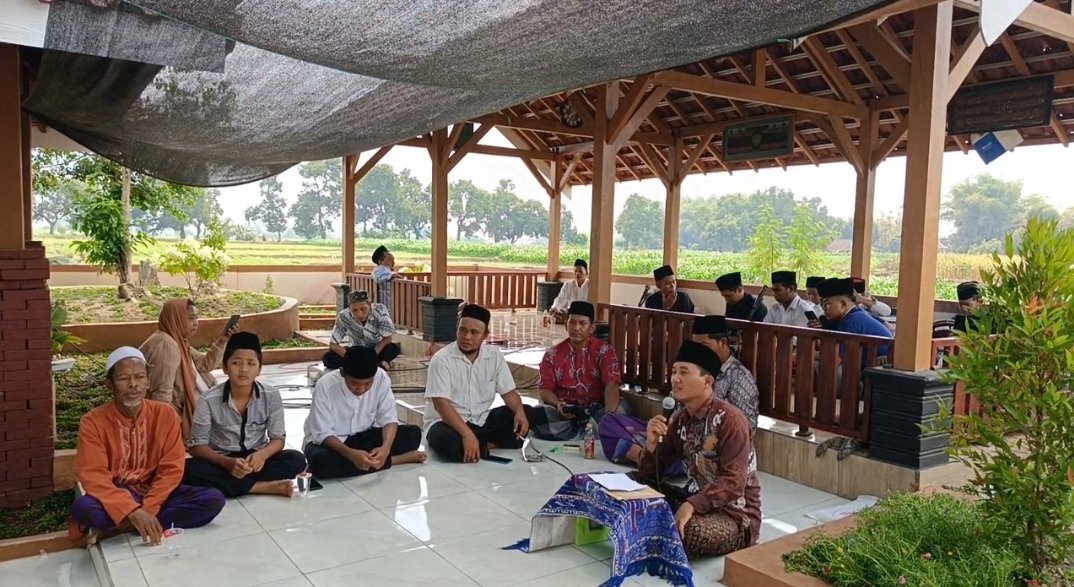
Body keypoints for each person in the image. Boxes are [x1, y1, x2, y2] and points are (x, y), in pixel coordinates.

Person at [69, 347, 225, 545]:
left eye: (140, 377)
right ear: (110, 385)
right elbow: (93, 475)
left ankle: (118, 528)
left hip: (154, 492)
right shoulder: (92, 422)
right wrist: (131, 509)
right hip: (116, 493)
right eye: (124, 378)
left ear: (148, 382)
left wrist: (148, 508)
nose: (133, 385)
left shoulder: (165, 414)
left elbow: (172, 469)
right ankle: (135, 521)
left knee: (213, 499)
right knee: (84, 508)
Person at [634, 340, 762, 557]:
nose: (675, 378)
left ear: (707, 381)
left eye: (684, 372)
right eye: (674, 371)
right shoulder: (679, 420)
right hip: (695, 500)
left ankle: (659, 528)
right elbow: (652, 474)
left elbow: (733, 483)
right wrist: (651, 444)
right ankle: (662, 527)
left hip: (734, 516)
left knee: (690, 532)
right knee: (634, 486)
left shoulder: (731, 420)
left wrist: (691, 505)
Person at [599, 316, 758, 466]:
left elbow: (746, 429)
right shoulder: (689, 370)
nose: (699, 351)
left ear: (723, 343)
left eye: (704, 346)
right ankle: (648, 457)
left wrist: (704, 432)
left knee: (689, 456)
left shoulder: (740, 378)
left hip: (701, 445)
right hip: (673, 434)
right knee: (609, 422)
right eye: (675, 372)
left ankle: (648, 458)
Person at [183, 333, 307, 497]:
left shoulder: (271, 395)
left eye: (251, 363)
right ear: (225, 367)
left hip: (255, 459)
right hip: (222, 459)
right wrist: (226, 463)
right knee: (187, 469)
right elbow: (196, 446)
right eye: (236, 363)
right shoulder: (208, 399)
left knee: (296, 459)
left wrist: (262, 455)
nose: (243, 369)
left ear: (259, 369)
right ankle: (261, 487)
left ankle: (236, 485)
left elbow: (278, 439)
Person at [424, 303, 535, 463]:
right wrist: (466, 434)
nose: (466, 337)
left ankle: (477, 445)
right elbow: (441, 405)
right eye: (462, 330)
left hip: (480, 420)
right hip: (447, 423)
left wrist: (519, 411)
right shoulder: (442, 359)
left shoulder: (494, 356)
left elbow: (509, 393)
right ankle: (481, 444)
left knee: (527, 413)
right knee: (444, 441)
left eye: (474, 332)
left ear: (485, 335)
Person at [303, 346, 426, 478]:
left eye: (368, 384)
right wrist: (351, 454)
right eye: (355, 383)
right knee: (320, 462)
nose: (361, 389)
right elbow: (323, 433)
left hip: (363, 435)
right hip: (332, 442)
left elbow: (389, 419)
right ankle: (395, 460)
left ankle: (374, 460)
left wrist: (385, 448)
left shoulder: (381, 377)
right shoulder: (325, 386)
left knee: (413, 434)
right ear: (343, 372)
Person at [140, 298, 236, 438]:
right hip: (179, 412)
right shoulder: (166, 345)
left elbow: (205, 364)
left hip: (195, 403)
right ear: (176, 319)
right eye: (191, 318)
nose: (196, 323)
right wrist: (166, 430)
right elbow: (161, 394)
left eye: (197, 318)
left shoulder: (179, 341)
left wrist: (223, 340)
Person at [531, 301, 624, 440]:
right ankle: (589, 433)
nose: (576, 328)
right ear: (565, 325)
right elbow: (545, 389)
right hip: (564, 410)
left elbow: (612, 384)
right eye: (572, 323)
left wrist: (609, 414)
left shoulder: (605, 351)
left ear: (592, 328)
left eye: (582, 323)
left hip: (594, 408)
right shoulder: (552, 354)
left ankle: (587, 430)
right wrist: (558, 405)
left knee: (621, 411)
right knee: (537, 413)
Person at [324, 290, 402, 370]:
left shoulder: (380, 310)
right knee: (328, 357)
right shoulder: (344, 315)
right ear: (349, 308)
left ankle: (381, 361)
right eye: (354, 310)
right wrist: (349, 357)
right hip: (356, 351)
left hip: (376, 349)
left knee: (393, 348)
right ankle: (363, 363)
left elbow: (387, 338)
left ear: (369, 304)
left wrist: (372, 355)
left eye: (363, 309)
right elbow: (333, 344)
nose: (359, 314)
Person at [815, 277, 893, 354]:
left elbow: (837, 357)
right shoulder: (857, 313)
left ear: (843, 304)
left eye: (826, 304)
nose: (823, 309)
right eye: (822, 304)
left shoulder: (852, 320)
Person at [549, 259, 590, 324]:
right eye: (575, 271)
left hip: (585, 315)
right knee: (558, 313)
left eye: (580, 271)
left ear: (586, 273)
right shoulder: (568, 285)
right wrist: (555, 308)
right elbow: (560, 299)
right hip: (571, 314)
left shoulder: (591, 286)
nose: (577, 274)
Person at [371, 245, 398, 310]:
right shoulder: (379, 269)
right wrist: (391, 276)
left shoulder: (387, 270)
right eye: (389, 260)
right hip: (384, 301)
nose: (393, 262)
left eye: (393, 260)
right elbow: (378, 278)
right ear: (380, 262)